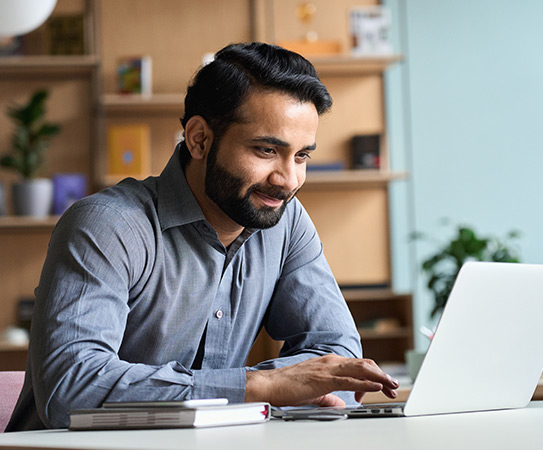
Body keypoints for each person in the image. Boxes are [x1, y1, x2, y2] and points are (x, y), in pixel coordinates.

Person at [6, 42, 398, 431]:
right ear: (198, 139)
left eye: (301, 157)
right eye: (265, 150)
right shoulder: (107, 226)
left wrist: (283, 386)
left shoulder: (286, 221)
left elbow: (338, 355)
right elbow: (71, 390)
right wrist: (261, 386)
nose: (288, 180)